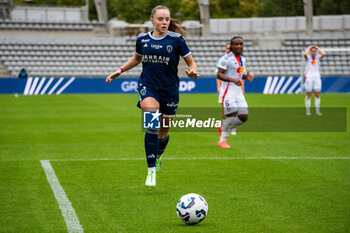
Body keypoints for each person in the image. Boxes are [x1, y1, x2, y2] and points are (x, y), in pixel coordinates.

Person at [106, 5, 199, 187]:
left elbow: (191, 62)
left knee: (163, 133)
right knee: (152, 123)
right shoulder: (142, 39)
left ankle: (158, 156)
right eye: (160, 19)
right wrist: (120, 70)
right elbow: (137, 58)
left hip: (169, 90)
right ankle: (150, 171)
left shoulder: (177, 40)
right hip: (148, 87)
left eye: (167, 19)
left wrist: (193, 71)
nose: (164, 22)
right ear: (152, 20)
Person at [216, 36, 254, 148]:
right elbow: (219, 74)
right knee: (231, 116)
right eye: (236, 44)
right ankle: (222, 141)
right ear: (231, 46)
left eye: (240, 44)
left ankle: (224, 127)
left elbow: (239, 74)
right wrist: (233, 80)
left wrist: (247, 76)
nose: (239, 46)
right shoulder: (225, 59)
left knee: (244, 117)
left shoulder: (243, 59)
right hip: (228, 92)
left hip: (238, 92)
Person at [216, 43, 245, 137]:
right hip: (225, 89)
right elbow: (219, 75)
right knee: (226, 110)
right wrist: (219, 87)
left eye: (230, 48)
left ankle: (232, 129)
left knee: (237, 110)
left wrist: (242, 88)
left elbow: (241, 76)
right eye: (227, 48)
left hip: (236, 90)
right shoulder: (222, 60)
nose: (228, 50)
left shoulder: (240, 60)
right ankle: (226, 129)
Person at [303, 45, 326, 116]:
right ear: (310, 51)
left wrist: (318, 47)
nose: (314, 52)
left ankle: (317, 110)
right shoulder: (308, 58)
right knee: (308, 94)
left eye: (315, 51)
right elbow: (305, 54)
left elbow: (324, 54)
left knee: (317, 94)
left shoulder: (318, 57)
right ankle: (308, 110)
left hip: (317, 76)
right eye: (312, 51)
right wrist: (309, 47)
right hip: (309, 76)